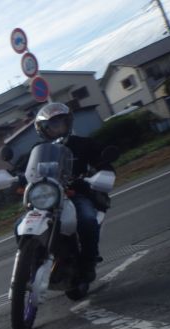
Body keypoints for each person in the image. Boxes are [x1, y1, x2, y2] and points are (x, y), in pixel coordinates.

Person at [33, 102, 113, 282]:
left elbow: (102, 162)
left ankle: (88, 262)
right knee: (20, 225)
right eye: (52, 124)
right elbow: (26, 171)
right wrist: (16, 179)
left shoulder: (83, 144)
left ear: (67, 123)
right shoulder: (39, 150)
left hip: (76, 195)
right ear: (43, 129)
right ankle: (31, 260)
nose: (57, 127)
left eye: (60, 122)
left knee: (87, 220)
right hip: (47, 197)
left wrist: (103, 172)